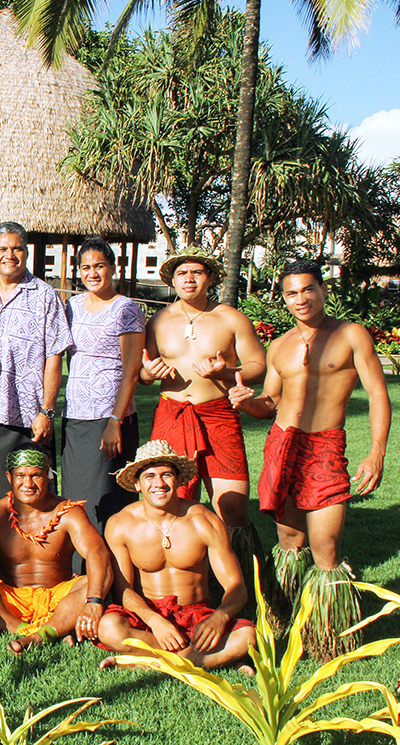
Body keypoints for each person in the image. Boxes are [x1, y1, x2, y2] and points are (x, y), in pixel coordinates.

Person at [229, 259, 391, 661]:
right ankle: (285, 617)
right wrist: (247, 404)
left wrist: (376, 451)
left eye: (308, 290)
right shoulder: (279, 346)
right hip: (282, 444)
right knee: (289, 541)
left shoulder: (350, 335)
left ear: (322, 290)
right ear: (282, 299)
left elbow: (377, 395)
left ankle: (329, 634)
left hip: (325, 447)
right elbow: (271, 403)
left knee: (325, 546)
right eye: (291, 293)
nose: (300, 299)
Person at [140, 247, 267, 610]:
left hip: (219, 415)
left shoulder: (229, 318)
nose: (189, 279)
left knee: (234, 507)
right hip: (172, 415)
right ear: (173, 280)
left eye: (197, 272)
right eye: (182, 273)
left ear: (210, 278)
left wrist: (225, 373)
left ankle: (239, 591)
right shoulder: (159, 321)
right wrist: (150, 373)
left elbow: (257, 364)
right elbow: (143, 374)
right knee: (176, 502)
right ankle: (188, 591)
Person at [98, 440, 256, 671]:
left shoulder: (204, 521)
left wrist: (220, 616)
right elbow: (123, 589)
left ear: (179, 479)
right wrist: (155, 621)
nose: (159, 484)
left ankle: (148, 663)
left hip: (197, 616)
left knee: (248, 636)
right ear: (137, 484)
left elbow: (236, 586)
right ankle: (205, 660)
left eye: (166, 475)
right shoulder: (121, 525)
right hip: (147, 616)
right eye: (149, 476)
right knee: (109, 627)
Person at [0, 443, 112, 655]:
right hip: (12, 599)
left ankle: (41, 635)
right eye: (21, 476)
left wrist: (93, 602)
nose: (28, 483)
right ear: (10, 477)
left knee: (94, 581)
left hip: (60, 598)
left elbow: (97, 553)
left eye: (36, 475)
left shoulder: (68, 514)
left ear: (48, 477)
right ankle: (41, 630)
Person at [0, 222, 72, 508]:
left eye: (16, 248)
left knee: (37, 499)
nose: (9, 255)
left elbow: (54, 357)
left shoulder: (45, 296)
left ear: (26, 252)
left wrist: (47, 411)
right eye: (2, 249)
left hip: (31, 417)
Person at [61, 237, 145, 547]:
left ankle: (109, 571)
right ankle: (77, 572)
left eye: (99, 266)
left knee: (104, 497)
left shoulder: (126, 309)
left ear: (112, 267)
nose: (93, 273)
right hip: (75, 415)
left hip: (109, 416)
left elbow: (132, 370)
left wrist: (115, 420)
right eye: (86, 267)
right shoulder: (71, 306)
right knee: (75, 497)